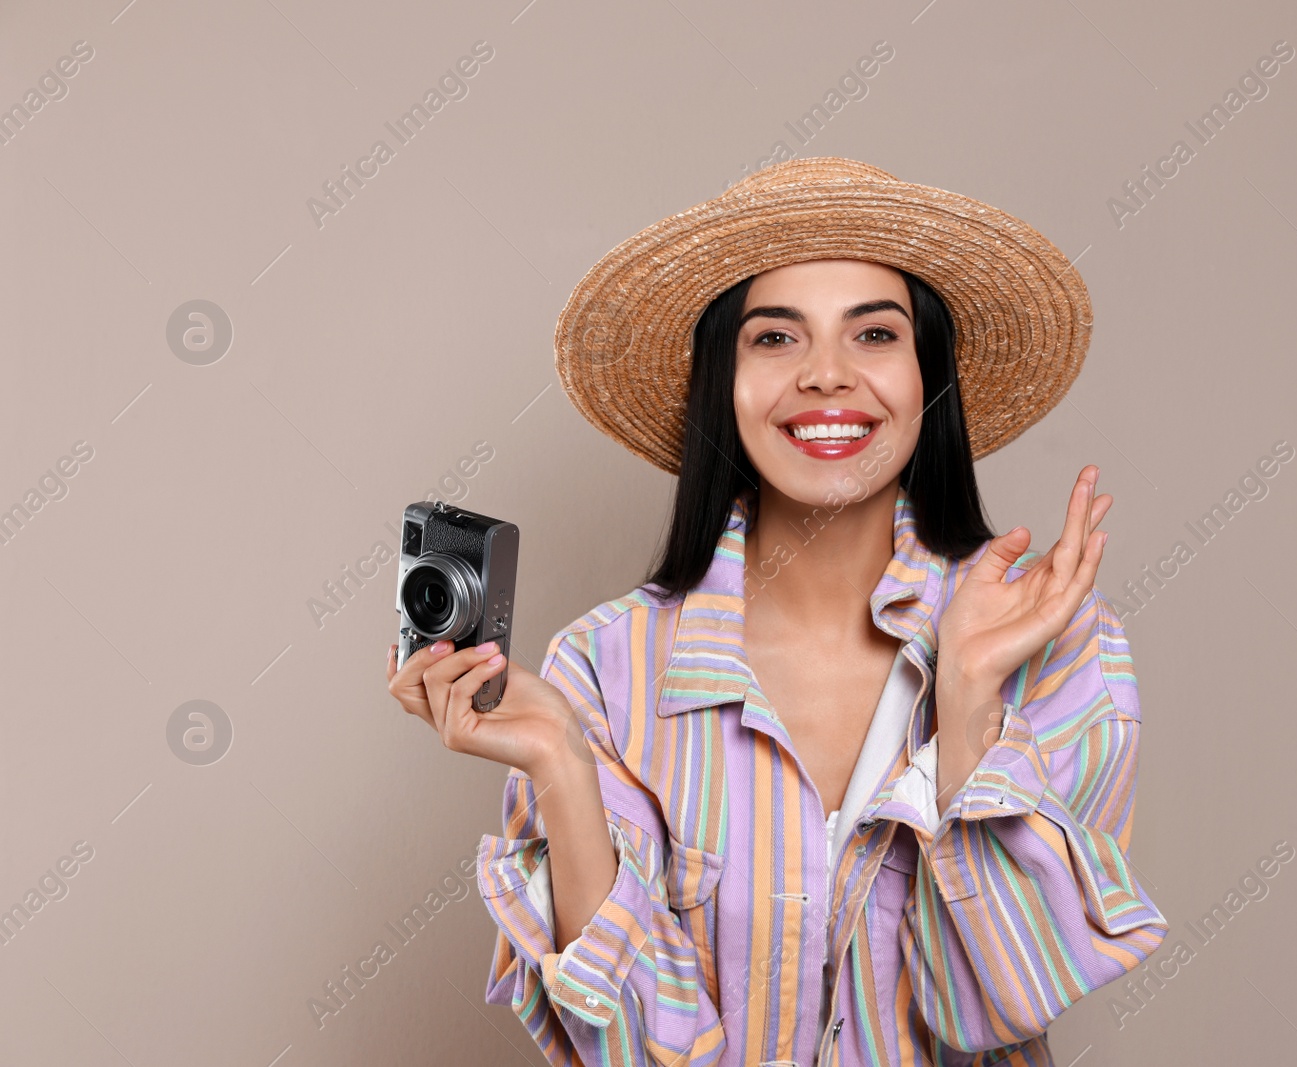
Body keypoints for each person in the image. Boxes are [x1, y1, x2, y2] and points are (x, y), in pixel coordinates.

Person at [385, 157, 1167, 1066]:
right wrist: (559, 759)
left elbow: (995, 1004)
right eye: (775, 339)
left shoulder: (1064, 645)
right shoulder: (605, 667)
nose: (828, 377)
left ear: (929, 378)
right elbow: (635, 1053)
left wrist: (967, 705)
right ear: (724, 378)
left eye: (875, 335)